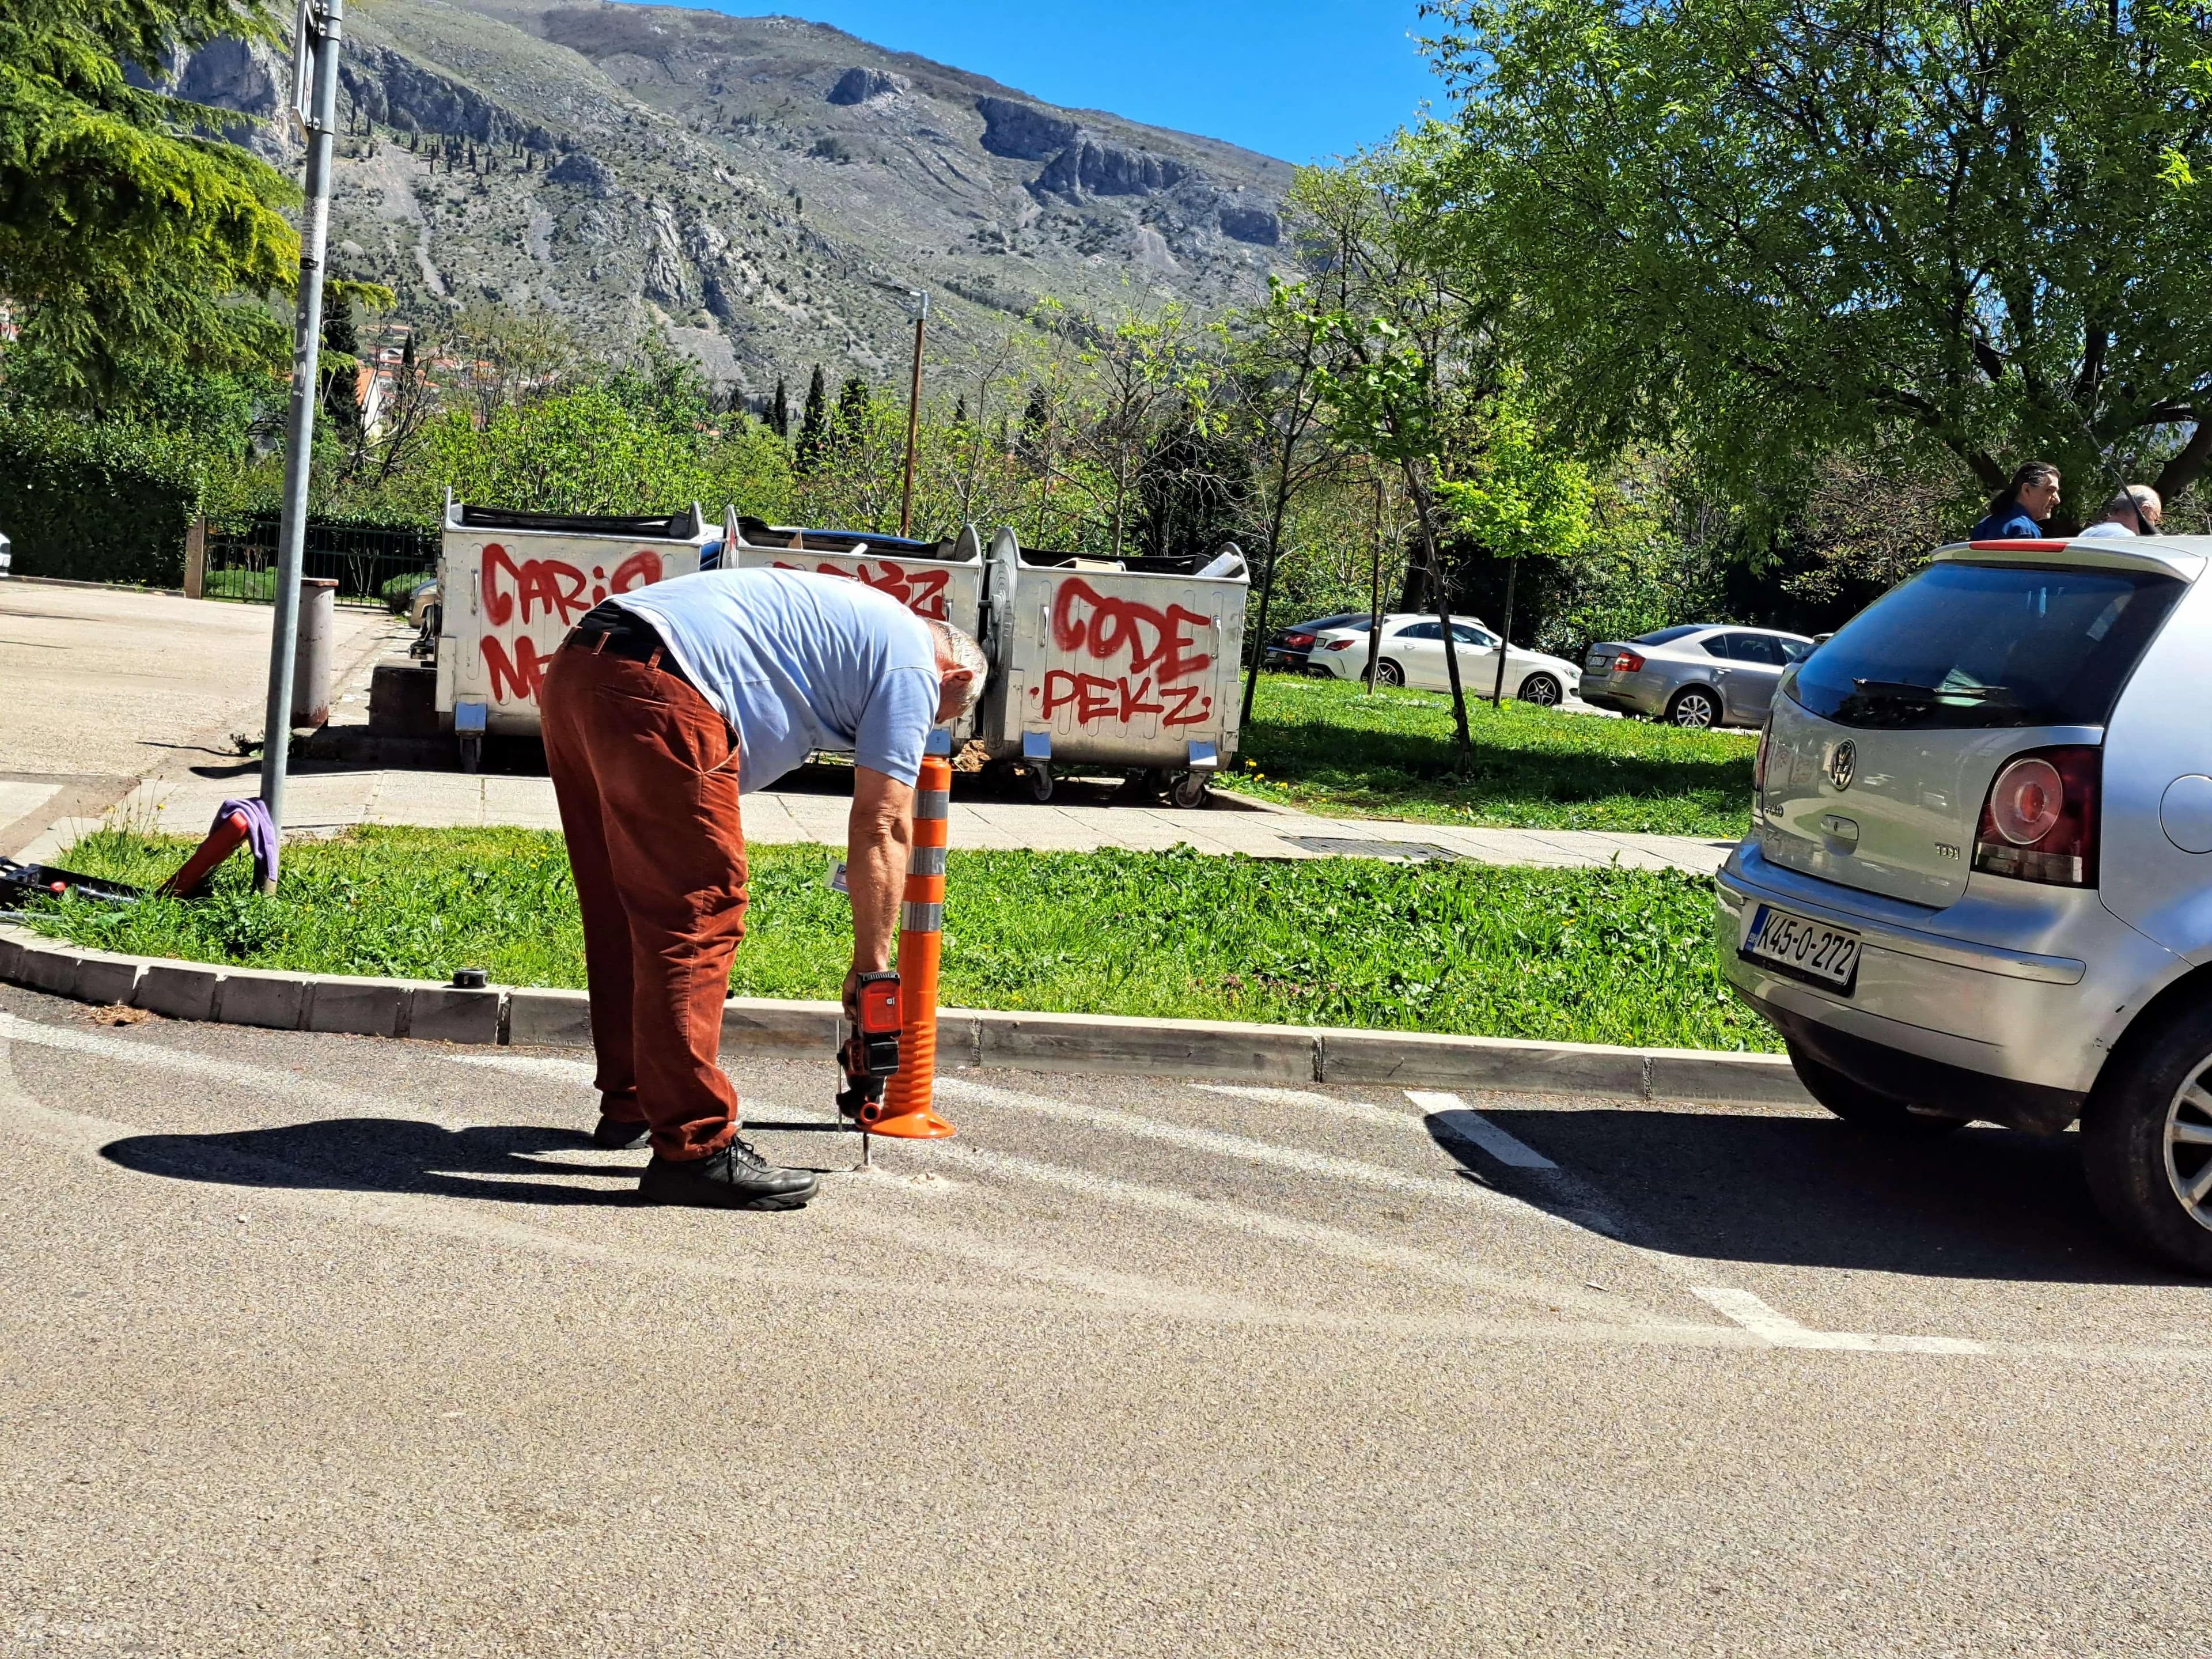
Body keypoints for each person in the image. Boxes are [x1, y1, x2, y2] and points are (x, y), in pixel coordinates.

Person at [538, 568, 988, 1213]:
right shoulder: (915, 665)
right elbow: (884, 823)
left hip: (583, 668)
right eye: (931, 721)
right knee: (698, 912)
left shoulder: (855, 628)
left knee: (624, 902)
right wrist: (872, 969)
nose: (913, 731)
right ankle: (695, 1149)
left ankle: (634, 1098)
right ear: (958, 678)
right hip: (661, 687)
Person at [1971, 462, 2061, 539]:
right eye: (2050, 491)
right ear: (2026, 490)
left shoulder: (1984, 524)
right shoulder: (2024, 530)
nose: (2057, 500)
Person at [2075, 484, 2163, 539]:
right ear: (2144, 510)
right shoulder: (2126, 539)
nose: (2154, 525)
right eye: (2155, 519)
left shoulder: (2088, 533)